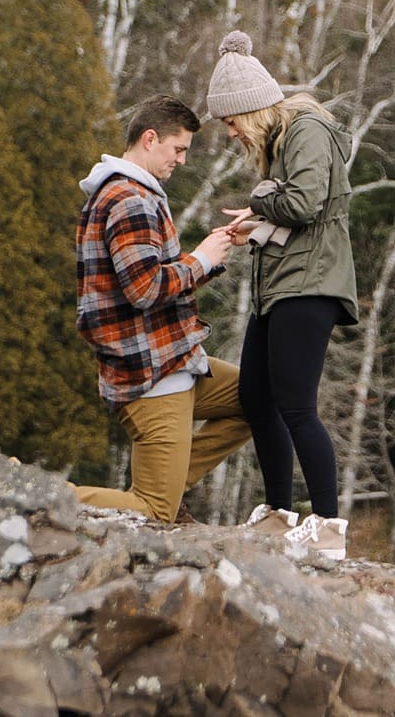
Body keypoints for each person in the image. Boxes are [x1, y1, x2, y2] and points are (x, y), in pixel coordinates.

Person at [206, 31, 359, 561]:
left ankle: (328, 527)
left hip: (311, 284)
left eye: (230, 123)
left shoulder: (306, 130)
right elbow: (289, 208)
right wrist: (257, 219)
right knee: (255, 395)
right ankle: (277, 515)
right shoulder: (280, 142)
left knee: (296, 405)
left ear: (250, 111)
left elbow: (304, 202)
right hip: (281, 284)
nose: (229, 134)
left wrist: (260, 198)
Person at [71, 93, 252, 523]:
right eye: (178, 149)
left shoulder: (133, 193)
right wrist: (201, 258)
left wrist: (213, 255)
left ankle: (169, 481)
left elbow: (149, 281)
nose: (182, 161)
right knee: (154, 511)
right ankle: (38, 495)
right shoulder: (129, 199)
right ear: (150, 139)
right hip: (151, 375)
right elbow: (145, 288)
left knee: (261, 399)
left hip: (173, 362)